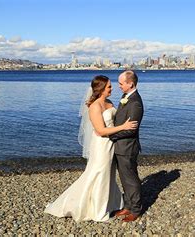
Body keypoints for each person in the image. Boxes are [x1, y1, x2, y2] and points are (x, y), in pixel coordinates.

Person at [44, 75, 138, 222]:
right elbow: (100, 131)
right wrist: (123, 127)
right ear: (100, 89)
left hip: (111, 144)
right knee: (98, 174)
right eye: (109, 87)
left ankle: (109, 204)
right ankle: (96, 211)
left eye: (111, 86)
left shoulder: (109, 102)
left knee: (108, 175)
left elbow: (113, 121)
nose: (112, 89)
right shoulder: (94, 107)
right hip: (101, 145)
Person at [109, 71, 144, 222]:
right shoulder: (126, 97)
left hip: (128, 148)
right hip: (121, 147)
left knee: (131, 178)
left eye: (121, 83)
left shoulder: (135, 102)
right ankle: (128, 206)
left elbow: (131, 129)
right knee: (124, 178)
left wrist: (110, 136)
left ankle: (136, 209)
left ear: (130, 83)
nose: (119, 86)